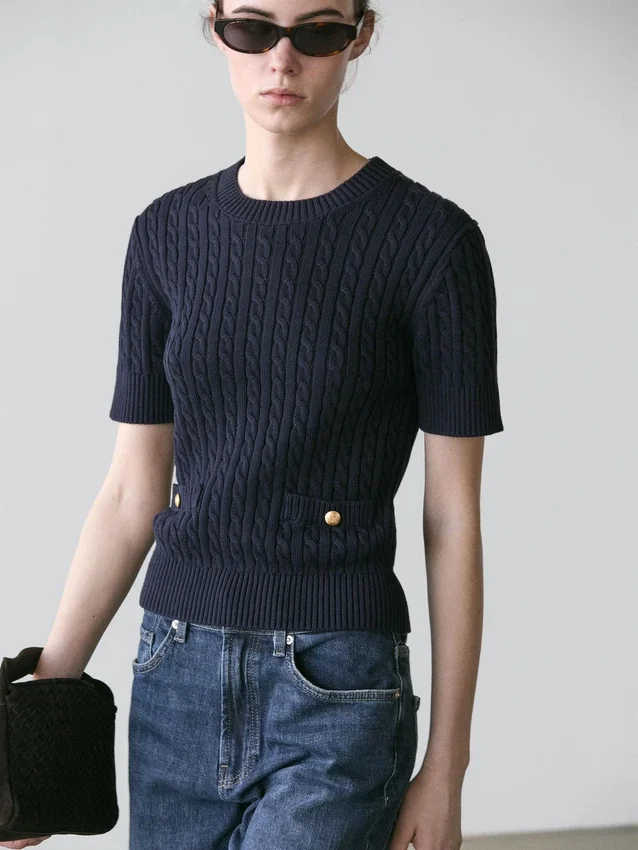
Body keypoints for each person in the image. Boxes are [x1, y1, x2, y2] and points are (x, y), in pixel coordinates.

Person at [5, 1, 504, 849]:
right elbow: (132, 493)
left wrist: (447, 766)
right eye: (252, 28)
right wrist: (41, 714)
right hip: (173, 673)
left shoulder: (432, 243)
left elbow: (452, 517)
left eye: (317, 31)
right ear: (215, 28)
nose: (282, 58)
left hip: (338, 685)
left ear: (360, 36)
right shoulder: (166, 235)